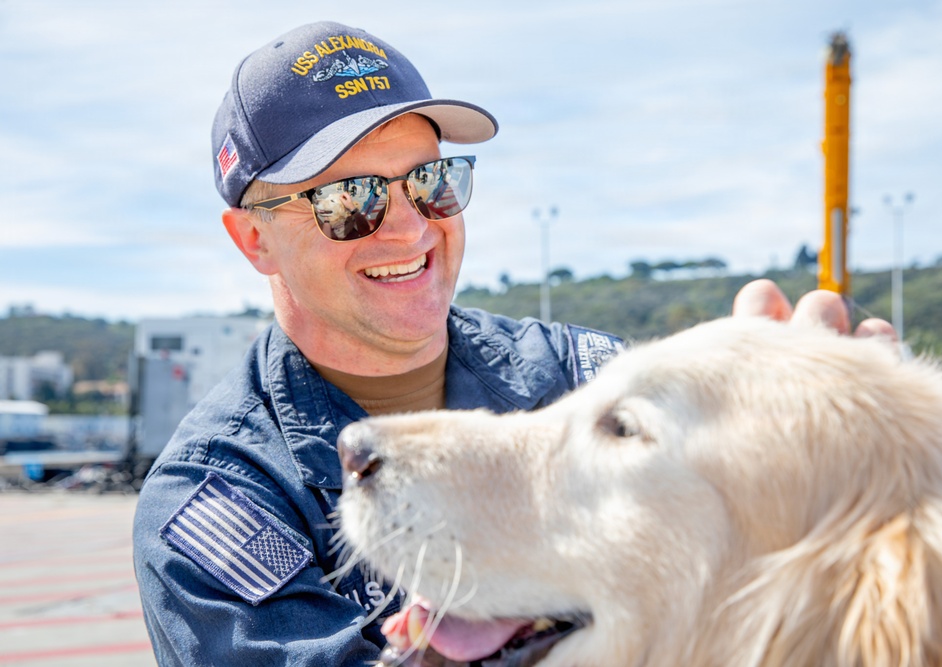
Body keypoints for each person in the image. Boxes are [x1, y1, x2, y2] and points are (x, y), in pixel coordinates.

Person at [132, 20, 894, 667]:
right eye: (348, 198)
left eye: (429, 179)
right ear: (253, 237)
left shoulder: (585, 374)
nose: (409, 225)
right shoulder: (217, 503)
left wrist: (852, 464)